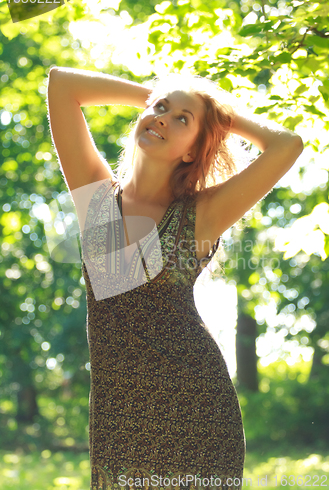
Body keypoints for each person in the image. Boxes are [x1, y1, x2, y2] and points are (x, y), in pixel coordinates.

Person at [47, 66, 303, 490]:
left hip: (197, 410)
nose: (163, 117)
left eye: (182, 119)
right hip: (119, 418)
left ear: (193, 151)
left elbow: (287, 145)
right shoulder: (97, 198)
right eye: (160, 109)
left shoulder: (200, 215)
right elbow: (62, 85)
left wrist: (218, 118)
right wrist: (158, 98)